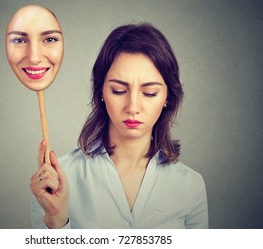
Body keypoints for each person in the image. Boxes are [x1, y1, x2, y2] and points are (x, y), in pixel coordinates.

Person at [30, 23, 208, 229]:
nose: (133, 107)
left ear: (168, 96)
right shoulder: (56, 181)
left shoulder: (190, 186)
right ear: (101, 93)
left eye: (149, 93)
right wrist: (56, 217)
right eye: (118, 90)